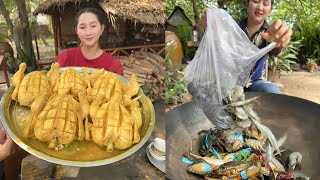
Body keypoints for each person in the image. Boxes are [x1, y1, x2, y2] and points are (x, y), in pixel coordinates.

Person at [239, 0, 293, 93]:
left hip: (255, 83)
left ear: (270, 10)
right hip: (229, 81)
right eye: (256, 1)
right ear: (247, 4)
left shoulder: (271, 32)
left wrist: (278, 42)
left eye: (265, 3)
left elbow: (277, 51)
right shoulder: (233, 28)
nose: (260, 7)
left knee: (271, 90)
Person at [55, 7, 124, 76]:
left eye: (93, 26)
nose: (88, 33)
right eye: (82, 27)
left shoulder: (113, 65)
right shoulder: (65, 58)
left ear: (102, 29)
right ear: (76, 31)